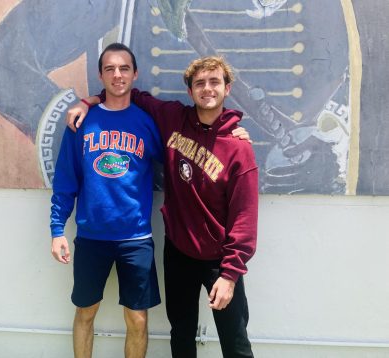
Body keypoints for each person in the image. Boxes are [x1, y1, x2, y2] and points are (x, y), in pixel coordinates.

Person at [70, 55, 258, 357]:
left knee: (235, 342)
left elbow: (245, 218)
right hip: (179, 252)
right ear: (190, 91)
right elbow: (127, 92)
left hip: (220, 260)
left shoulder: (239, 148)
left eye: (214, 82)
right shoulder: (173, 118)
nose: (207, 89)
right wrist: (89, 101)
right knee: (181, 336)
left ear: (227, 88)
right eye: (199, 83)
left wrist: (230, 273)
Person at [49, 43, 164, 358]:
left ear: (134, 73)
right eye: (110, 68)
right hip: (91, 236)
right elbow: (65, 180)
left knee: (138, 319)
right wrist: (57, 230)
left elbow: (177, 157)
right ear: (100, 74)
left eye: (124, 68)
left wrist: (227, 134)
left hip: (136, 238)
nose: (117, 75)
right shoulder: (81, 122)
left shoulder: (146, 123)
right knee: (85, 312)